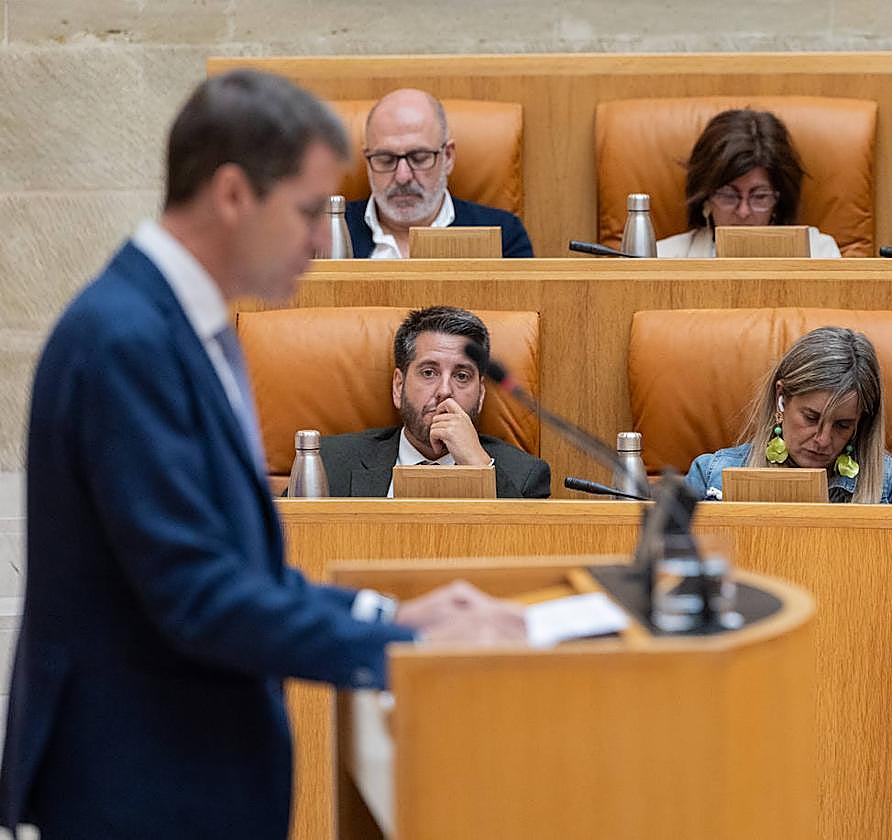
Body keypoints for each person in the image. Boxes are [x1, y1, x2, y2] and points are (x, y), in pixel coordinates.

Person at [0, 70, 526, 839]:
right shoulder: (126, 341)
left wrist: (388, 609)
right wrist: (405, 644)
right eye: (310, 210)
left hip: (186, 770)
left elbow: (231, 566)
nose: (323, 239)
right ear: (234, 195)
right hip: (137, 783)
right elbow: (198, 594)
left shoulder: (182, 325)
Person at [320, 306, 551, 498]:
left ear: (481, 394)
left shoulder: (525, 477)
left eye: (462, 376)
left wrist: (479, 467)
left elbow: (526, 548)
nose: (444, 391)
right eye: (429, 372)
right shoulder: (331, 462)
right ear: (399, 386)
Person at [685, 327, 892, 502]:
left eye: (842, 425)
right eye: (811, 418)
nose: (823, 440)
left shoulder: (888, 484)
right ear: (782, 398)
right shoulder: (711, 477)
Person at [345, 88, 533, 259]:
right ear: (368, 161)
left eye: (419, 157)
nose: (403, 177)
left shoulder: (504, 236)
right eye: (386, 159)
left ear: (448, 157)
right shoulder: (325, 234)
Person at [656, 109, 842, 258]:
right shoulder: (663, 258)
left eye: (760, 196)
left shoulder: (819, 253)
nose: (743, 212)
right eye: (728, 195)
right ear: (706, 199)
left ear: (778, 201)